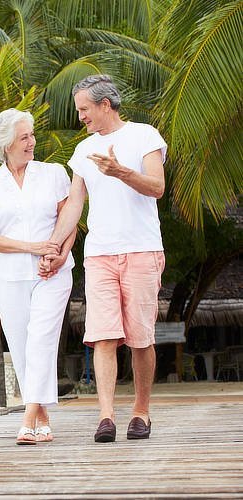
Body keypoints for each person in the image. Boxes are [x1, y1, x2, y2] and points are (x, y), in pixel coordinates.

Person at [40, 74, 166, 443]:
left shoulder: (145, 135)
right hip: (99, 254)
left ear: (105, 105)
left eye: (84, 109)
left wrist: (121, 172)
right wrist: (53, 246)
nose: (80, 117)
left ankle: (141, 412)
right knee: (103, 337)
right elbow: (74, 205)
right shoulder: (82, 151)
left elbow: (157, 187)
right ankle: (106, 417)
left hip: (142, 249)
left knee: (141, 339)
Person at [0, 108, 76, 445]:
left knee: (41, 341)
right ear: (6, 144)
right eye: (24, 137)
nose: (32, 142)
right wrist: (33, 247)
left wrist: (59, 256)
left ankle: (28, 416)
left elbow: (70, 222)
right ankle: (44, 419)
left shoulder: (54, 173)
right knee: (20, 347)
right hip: (9, 276)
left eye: (32, 135)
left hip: (53, 274)